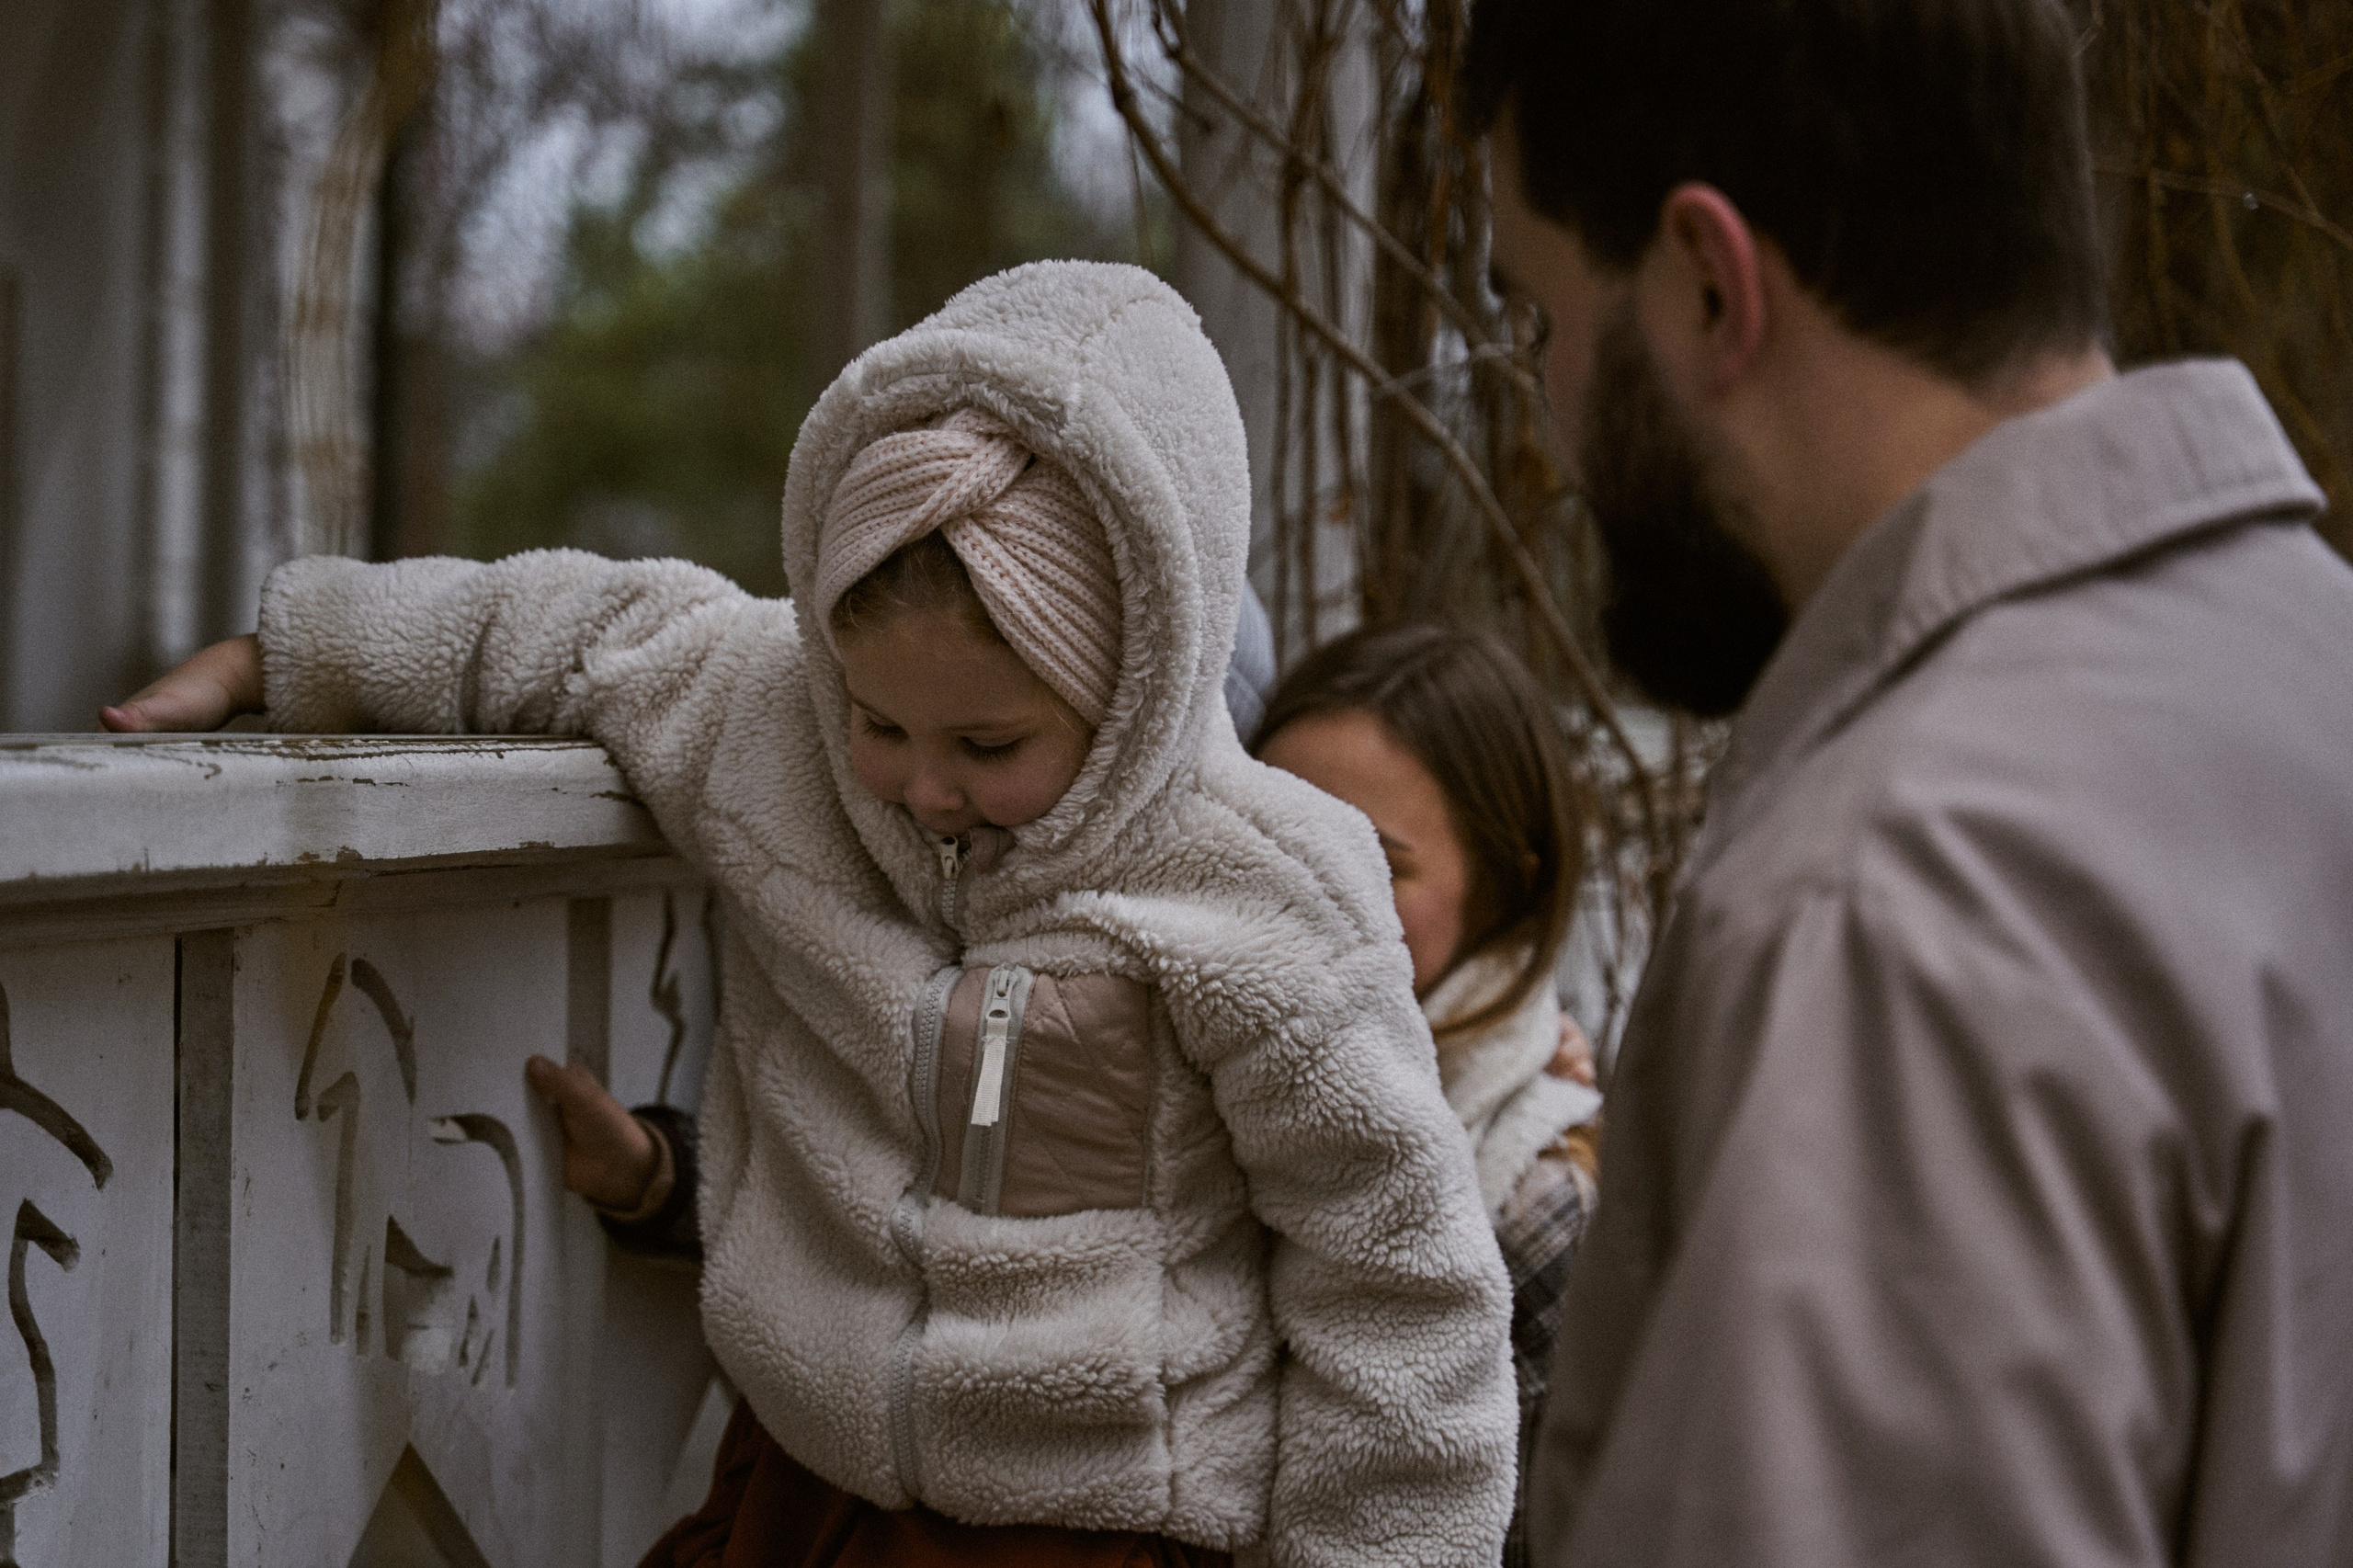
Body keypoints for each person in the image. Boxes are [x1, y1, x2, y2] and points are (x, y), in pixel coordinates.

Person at [104, 262, 1518, 1567]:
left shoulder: (1260, 886)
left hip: (1091, 1536)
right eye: (880, 720)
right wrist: (290, 651)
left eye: (989, 745)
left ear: (1140, 686)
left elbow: (1397, 1286)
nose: (920, 785)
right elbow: (567, 627)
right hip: (797, 1496)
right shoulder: (767, 721)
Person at [1462, 1, 2353, 1564]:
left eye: (1547, 321)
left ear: (1706, 284)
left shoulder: (1895, 907)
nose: (1550, 422)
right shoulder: (2313, 677)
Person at [1251, 622, 1604, 1568]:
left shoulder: (1540, 1205)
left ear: (1501, 890)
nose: (1306, 883)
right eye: (1276, 828)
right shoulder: (1190, 1079)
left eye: (1376, 858)